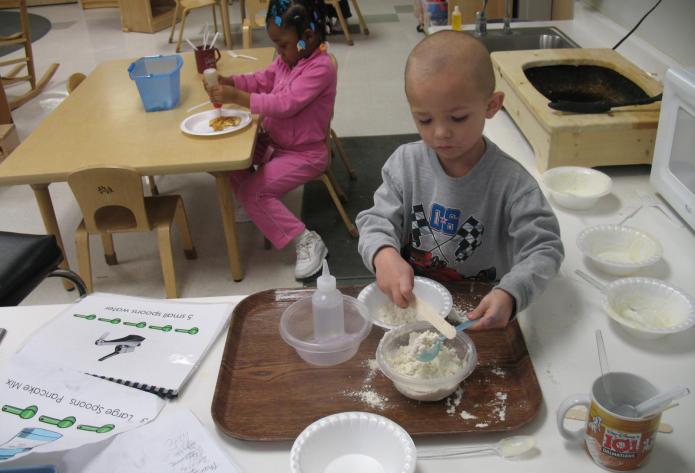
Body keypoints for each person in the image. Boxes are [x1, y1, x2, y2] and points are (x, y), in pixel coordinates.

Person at [356, 30, 564, 330]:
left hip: (480, 309)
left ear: (491, 106)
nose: (440, 132)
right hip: (415, 301)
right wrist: (383, 254)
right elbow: (375, 221)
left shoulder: (512, 183)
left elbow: (545, 248)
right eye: (425, 119)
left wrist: (512, 292)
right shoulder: (405, 164)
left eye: (458, 118)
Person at [205, 0, 336, 280]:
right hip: (275, 143)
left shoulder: (320, 68)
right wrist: (232, 82)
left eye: (283, 45)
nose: (279, 52)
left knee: (254, 193)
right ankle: (255, 204)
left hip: (305, 154)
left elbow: (285, 103)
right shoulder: (289, 58)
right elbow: (263, 78)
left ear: (308, 38)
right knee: (225, 157)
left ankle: (305, 239)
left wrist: (237, 98)